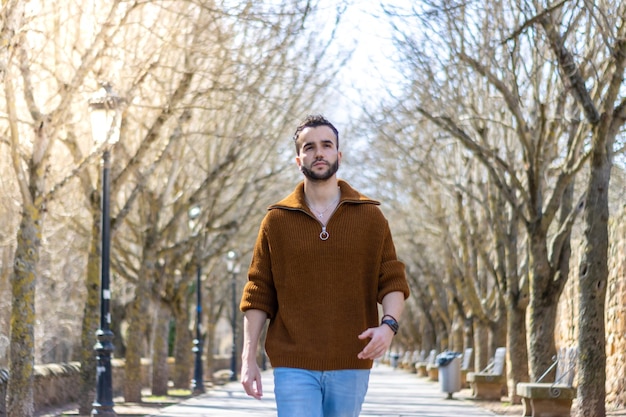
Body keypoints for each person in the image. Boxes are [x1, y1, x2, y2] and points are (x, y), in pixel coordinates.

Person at [239, 114, 410, 417]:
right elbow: (258, 292)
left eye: (326, 145)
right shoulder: (275, 221)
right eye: (309, 147)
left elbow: (393, 282)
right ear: (298, 158)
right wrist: (247, 358)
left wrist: (389, 326)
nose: (319, 152)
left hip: (352, 361)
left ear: (338, 155)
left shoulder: (370, 218)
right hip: (293, 364)